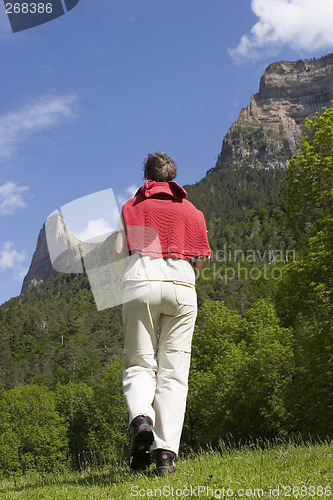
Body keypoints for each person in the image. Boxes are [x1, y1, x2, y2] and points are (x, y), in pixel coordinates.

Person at [114, 152, 210, 476]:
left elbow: (118, 251)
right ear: (173, 176)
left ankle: (141, 419)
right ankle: (165, 455)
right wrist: (190, 279)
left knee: (140, 361)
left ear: (147, 176)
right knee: (174, 370)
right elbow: (204, 256)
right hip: (183, 284)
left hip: (141, 279)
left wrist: (127, 282)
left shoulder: (131, 207)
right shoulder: (192, 211)